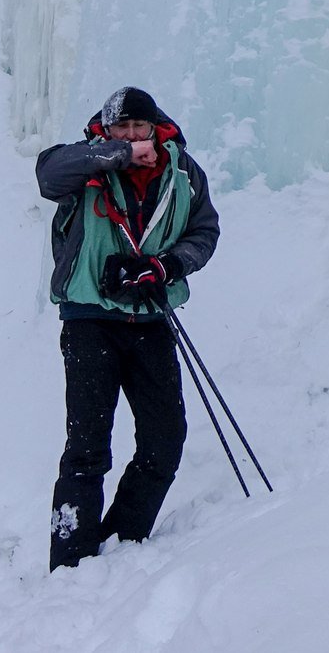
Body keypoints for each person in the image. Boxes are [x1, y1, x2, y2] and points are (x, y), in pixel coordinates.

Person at [35, 86, 221, 570]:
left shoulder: (183, 172)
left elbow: (205, 232)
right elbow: (48, 175)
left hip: (151, 318)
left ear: (156, 128)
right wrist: (115, 154)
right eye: (123, 128)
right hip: (88, 320)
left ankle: (120, 543)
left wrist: (165, 266)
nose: (134, 136)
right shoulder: (85, 163)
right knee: (87, 448)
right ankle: (69, 563)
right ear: (107, 128)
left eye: (141, 128)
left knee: (165, 440)